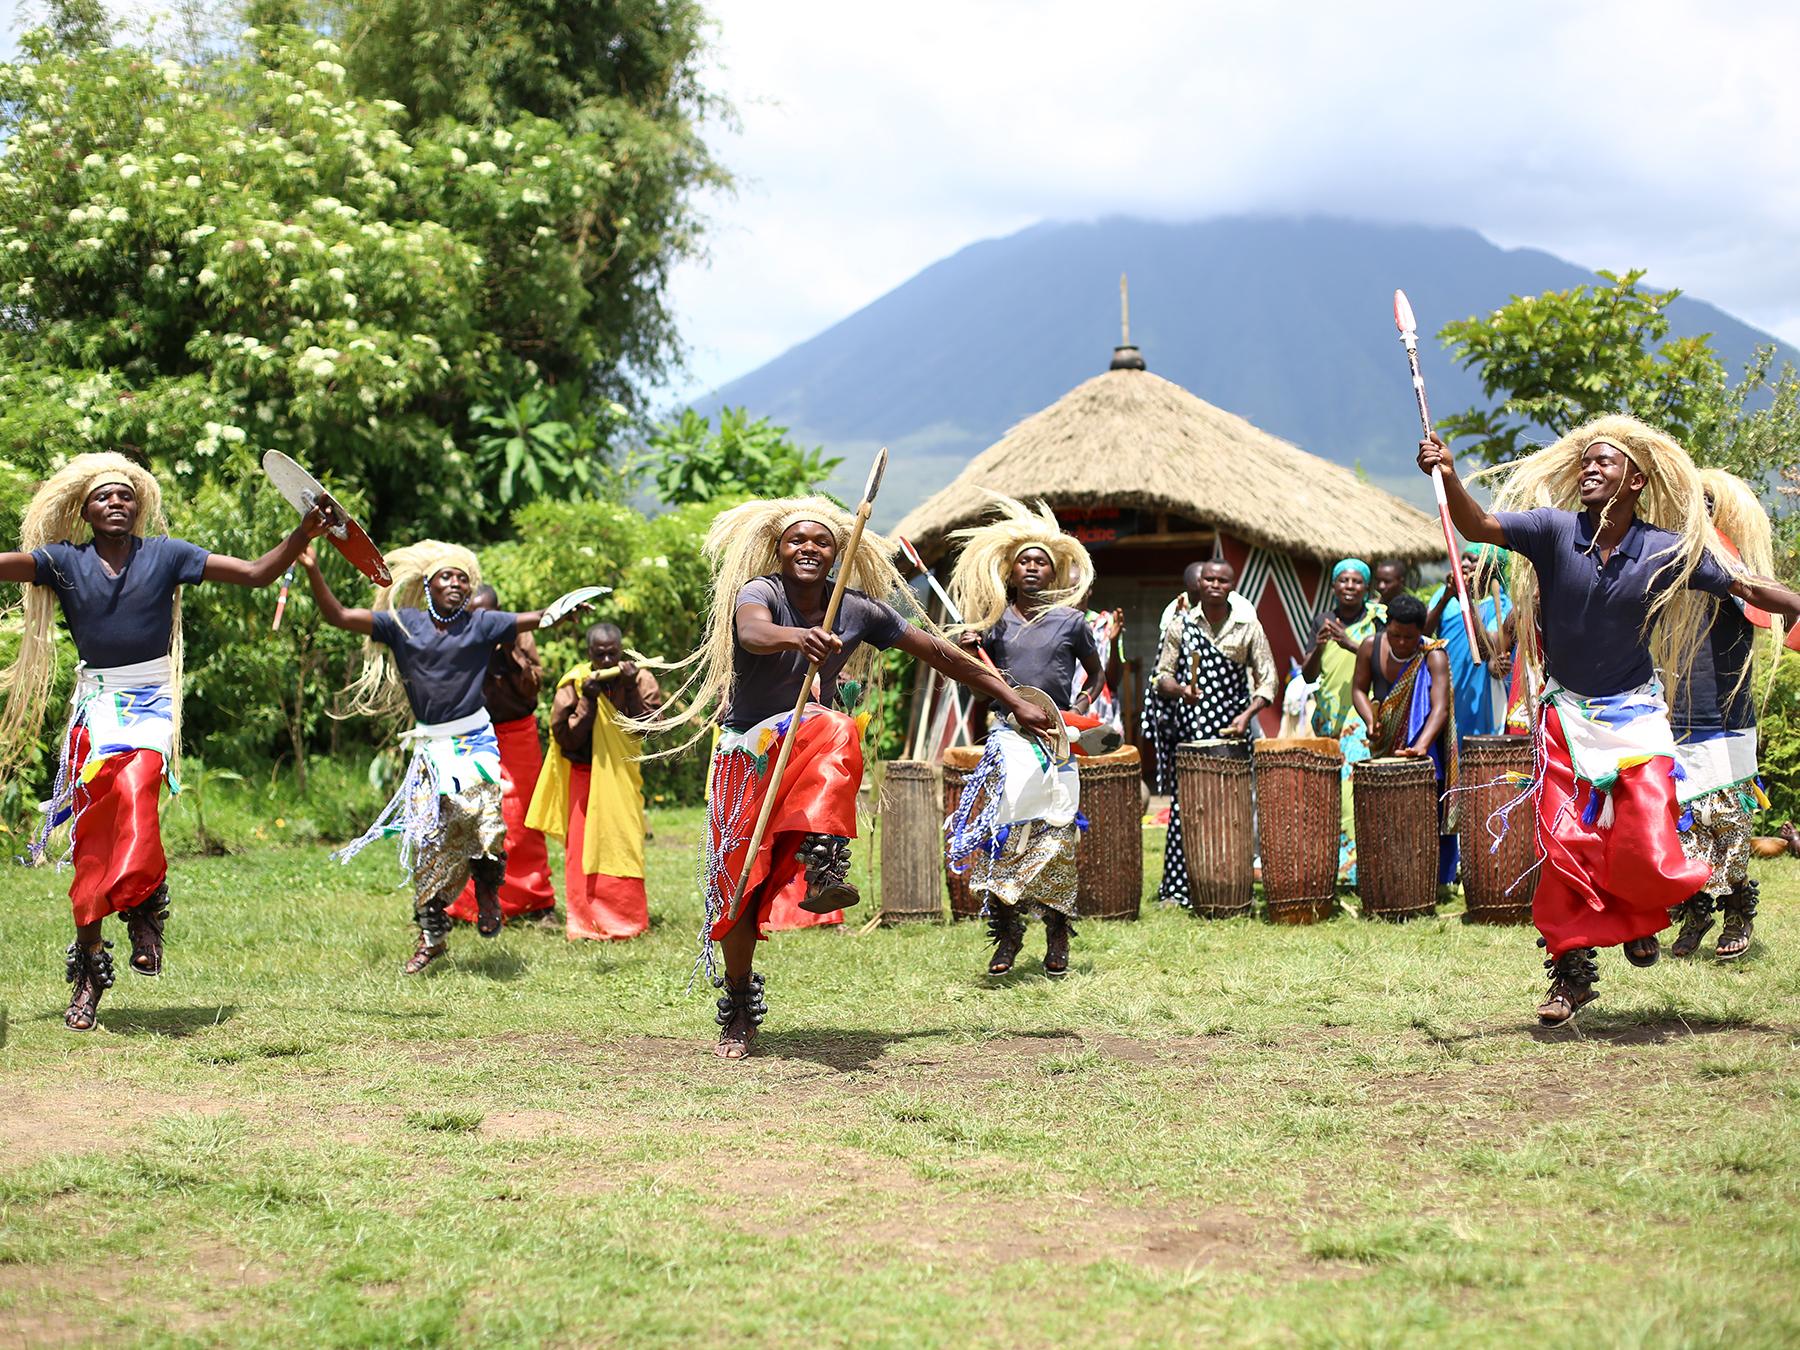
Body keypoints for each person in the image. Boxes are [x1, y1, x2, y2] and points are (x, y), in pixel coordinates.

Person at [624, 495, 1056, 1059]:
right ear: (779, 550)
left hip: (810, 745)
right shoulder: (762, 594)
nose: (809, 548)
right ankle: (737, 1004)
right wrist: (795, 637)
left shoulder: (858, 610)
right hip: (749, 753)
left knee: (833, 725)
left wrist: (1009, 698)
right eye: (797, 540)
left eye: (821, 541)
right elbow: (752, 631)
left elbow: (940, 653)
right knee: (737, 893)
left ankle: (825, 863)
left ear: (837, 554)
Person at [1417, 415, 1800, 1025]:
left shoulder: (1666, 550)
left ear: (1637, 481)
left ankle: (1641, 918)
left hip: (1635, 716)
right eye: (1585, 462)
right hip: (1567, 713)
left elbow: (1747, 587)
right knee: (1562, 840)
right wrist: (1449, 474)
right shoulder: (1551, 530)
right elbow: (1477, 524)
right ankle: (1570, 978)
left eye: (1606, 462)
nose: (1590, 469)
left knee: (1648, 829)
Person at [0, 453, 329, 1031]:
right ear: (84, 510)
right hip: (96, 706)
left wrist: (304, 530)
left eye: (126, 495)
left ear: (140, 506)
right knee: (92, 839)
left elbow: (254, 574)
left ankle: (144, 902)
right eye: (103, 497)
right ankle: (89, 972)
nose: (116, 503)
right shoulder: (62, 561)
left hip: (150, 701)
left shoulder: (168, 555)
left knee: (138, 785)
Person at [305, 541, 587, 973]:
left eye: (462, 579)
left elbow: (537, 619)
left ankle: (489, 885)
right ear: (428, 584)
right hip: (430, 746)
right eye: (447, 577)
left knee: (482, 817)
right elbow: (339, 616)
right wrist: (312, 568)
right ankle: (432, 935)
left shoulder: (481, 624)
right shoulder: (403, 623)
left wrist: (561, 613)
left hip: (474, 741)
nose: (456, 584)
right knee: (427, 844)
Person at [949, 496, 1105, 975]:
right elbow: (974, 686)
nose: (1033, 569)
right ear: (1011, 574)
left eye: (1041, 562)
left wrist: (1076, 711)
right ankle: (1008, 933)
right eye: (1025, 562)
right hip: (1011, 736)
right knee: (1007, 832)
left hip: (1058, 738)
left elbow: (1097, 675)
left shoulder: (1071, 622)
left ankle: (1058, 933)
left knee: (1057, 832)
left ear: (1054, 575)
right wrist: (969, 653)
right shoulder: (992, 626)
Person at [1666, 469, 1782, 961]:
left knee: (1728, 816)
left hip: (1726, 709)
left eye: (1707, 503)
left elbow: (1763, 611)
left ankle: (1738, 909)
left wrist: (1722, 565)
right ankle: (1694, 911)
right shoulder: (1663, 557)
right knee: (1683, 820)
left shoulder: (1735, 560)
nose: (1698, 510)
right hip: (1674, 710)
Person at [527, 621, 663, 941]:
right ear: (588, 653)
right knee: (581, 852)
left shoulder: (639, 676)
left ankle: (626, 920)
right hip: (583, 777)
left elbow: (649, 726)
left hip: (620, 776)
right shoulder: (574, 684)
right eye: (599, 654)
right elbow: (566, 739)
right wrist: (588, 700)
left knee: (623, 843)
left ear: (621, 650)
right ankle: (586, 922)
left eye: (611, 654)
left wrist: (628, 688)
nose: (605, 661)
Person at [1152, 558, 1276, 908]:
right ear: (1199, 584)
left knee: (1236, 807)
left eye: (1223, 579)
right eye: (1209, 579)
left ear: (1232, 585)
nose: (1215, 585)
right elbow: (1162, 676)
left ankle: (1232, 886)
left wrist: (1247, 715)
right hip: (1192, 729)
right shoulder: (1180, 625)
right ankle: (1178, 891)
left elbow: (1269, 679)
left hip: (1234, 730)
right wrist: (1181, 691)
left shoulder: (1247, 627)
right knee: (1186, 807)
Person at [444, 585, 557, 928]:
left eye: (490, 615)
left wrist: (508, 647)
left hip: (518, 734)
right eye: (475, 615)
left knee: (523, 821)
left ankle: (537, 903)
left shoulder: (519, 635)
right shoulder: (455, 636)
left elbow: (531, 686)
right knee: (471, 818)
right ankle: (467, 904)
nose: (483, 621)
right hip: (472, 737)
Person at [1351, 591, 1460, 885]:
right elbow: (1359, 690)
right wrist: (1370, 719)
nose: (1402, 642)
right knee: (1386, 814)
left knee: (1426, 814)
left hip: (1426, 745)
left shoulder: (1433, 654)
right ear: (1387, 626)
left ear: (1422, 632)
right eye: (1396, 635)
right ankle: (1388, 877)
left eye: (1411, 638)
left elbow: (1440, 707)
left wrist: (1420, 747)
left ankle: (1431, 880)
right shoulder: (1370, 646)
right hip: (1385, 740)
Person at [1300, 559, 1387, 882]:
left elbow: (1382, 661)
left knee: (1351, 790)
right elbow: (1309, 675)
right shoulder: (1321, 620)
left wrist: (1348, 641)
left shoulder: (1378, 618)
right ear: (1334, 587)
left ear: (1366, 588)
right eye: (1343, 581)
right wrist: (1321, 645)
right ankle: (1326, 864)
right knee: (1327, 792)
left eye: (1356, 582)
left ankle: (1350, 873)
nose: (1350, 587)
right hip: (1327, 714)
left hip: (1360, 712)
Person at [1426, 546, 1514, 744]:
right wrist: (1447, 596)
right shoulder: (1444, 594)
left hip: (1479, 692)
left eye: (1472, 560)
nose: (1464, 564)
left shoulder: (1501, 604)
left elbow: (1486, 651)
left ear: (1491, 569)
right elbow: (1423, 633)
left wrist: (1464, 598)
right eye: (1463, 558)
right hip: (1443, 682)